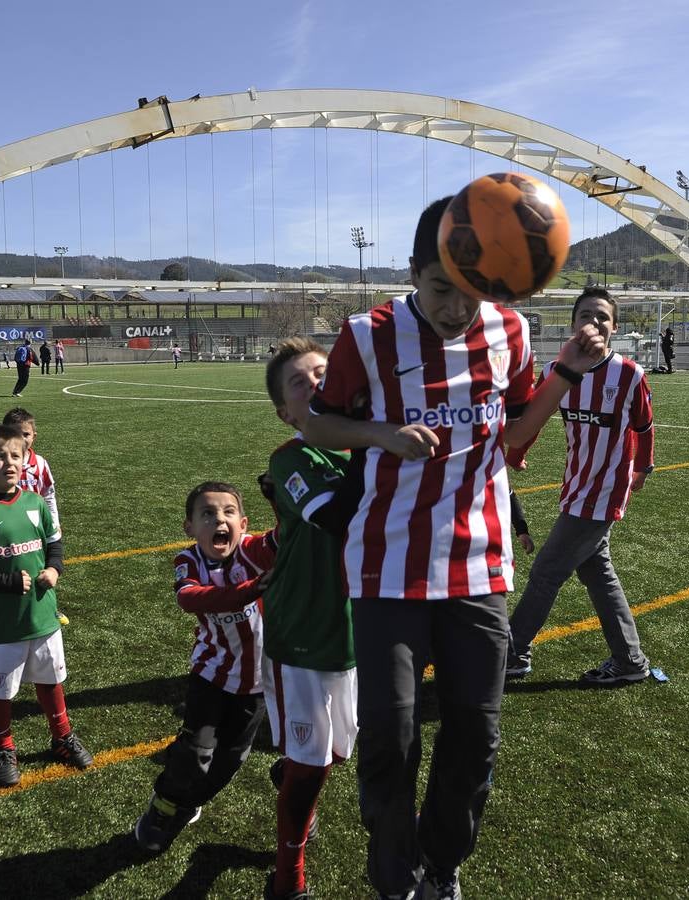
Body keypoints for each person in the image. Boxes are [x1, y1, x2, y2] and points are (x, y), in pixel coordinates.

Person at [302, 196, 608, 899]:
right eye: (443, 289)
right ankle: (393, 872)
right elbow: (319, 427)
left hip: (477, 564)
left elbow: (514, 433)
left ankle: (442, 864)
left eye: (474, 292)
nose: (457, 307)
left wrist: (564, 371)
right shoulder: (367, 334)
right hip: (386, 566)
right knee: (392, 734)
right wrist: (379, 435)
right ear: (414, 274)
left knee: (476, 732)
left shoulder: (510, 330)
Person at [506, 288, 655, 684]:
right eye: (586, 314)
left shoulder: (628, 374)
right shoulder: (557, 370)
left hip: (604, 488)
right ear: (573, 324)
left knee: (546, 572)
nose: (594, 321)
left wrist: (643, 466)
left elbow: (644, 425)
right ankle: (629, 660)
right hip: (576, 482)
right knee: (596, 571)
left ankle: (512, 652)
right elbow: (537, 416)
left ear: (615, 326)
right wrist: (517, 452)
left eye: (603, 316)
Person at [260, 337, 361, 900]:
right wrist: (381, 442)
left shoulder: (360, 447)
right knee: (310, 760)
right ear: (286, 412)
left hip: (357, 630)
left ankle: (297, 777)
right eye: (301, 382)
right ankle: (287, 875)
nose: (317, 383)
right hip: (300, 633)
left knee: (338, 752)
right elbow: (336, 515)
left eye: (324, 373)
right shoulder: (292, 458)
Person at [133, 481, 276, 854]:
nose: (219, 519)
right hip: (211, 673)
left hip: (258, 682)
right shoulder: (189, 560)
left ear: (244, 524)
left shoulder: (254, 551)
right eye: (207, 514)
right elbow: (189, 597)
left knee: (230, 760)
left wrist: (280, 501)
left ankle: (189, 800)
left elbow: (289, 535)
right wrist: (250, 590)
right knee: (196, 750)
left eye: (229, 512)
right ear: (190, 528)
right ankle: (163, 809)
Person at [0, 424, 94, 786]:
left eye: (16, 455)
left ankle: (62, 737)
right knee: (0, 691)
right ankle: (3, 749)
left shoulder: (34, 502)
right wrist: (8, 583)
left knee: (51, 680)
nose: (9, 462)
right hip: (2, 624)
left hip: (43, 615)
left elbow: (54, 543)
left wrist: (53, 569)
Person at [2, 407, 71, 628]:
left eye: (25, 434)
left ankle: (49, 609)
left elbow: (49, 493)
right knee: (16, 569)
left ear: (34, 436)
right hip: (12, 528)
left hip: (38, 527)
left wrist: (54, 521)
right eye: (14, 434)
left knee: (45, 570)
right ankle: (14, 611)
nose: (21, 439)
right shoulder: (2, 464)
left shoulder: (40, 463)